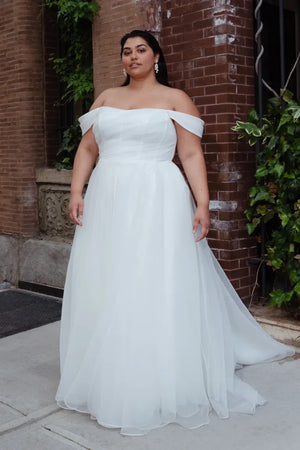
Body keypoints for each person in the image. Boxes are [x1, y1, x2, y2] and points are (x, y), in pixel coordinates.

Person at [55, 30, 294, 436]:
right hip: (109, 200)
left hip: (158, 199)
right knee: (109, 281)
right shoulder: (106, 100)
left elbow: (189, 153)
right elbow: (88, 150)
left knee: (155, 278)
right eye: (126, 51)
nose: (133, 57)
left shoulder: (176, 99)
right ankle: (111, 370)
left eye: (141, 50)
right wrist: (77, 190)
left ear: (156, 56)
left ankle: (160, 369)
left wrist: (202, 203)